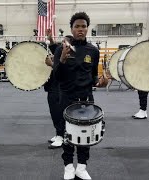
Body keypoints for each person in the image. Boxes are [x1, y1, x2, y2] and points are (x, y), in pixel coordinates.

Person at [53, 12, 99, 180]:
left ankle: (81, 166)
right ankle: (68, 166)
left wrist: (100, 82)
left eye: (83, 26)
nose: (80, 29)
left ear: (87, 28)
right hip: (66, 97)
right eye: (77, 26)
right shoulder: (62, 49)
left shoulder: (93, 51)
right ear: (71, 29)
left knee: (86, 133)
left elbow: (93, 76)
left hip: (86, 98)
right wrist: (63, 59)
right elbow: (56, 77)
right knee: (67, 134)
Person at [132, 34, 149, 119]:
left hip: (148, 74)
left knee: (143, 93)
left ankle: (143, 111)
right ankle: (142, 110)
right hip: (142, 73)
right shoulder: (147, 49)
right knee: (141, 92)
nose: (148, 40)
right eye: (148, 39)